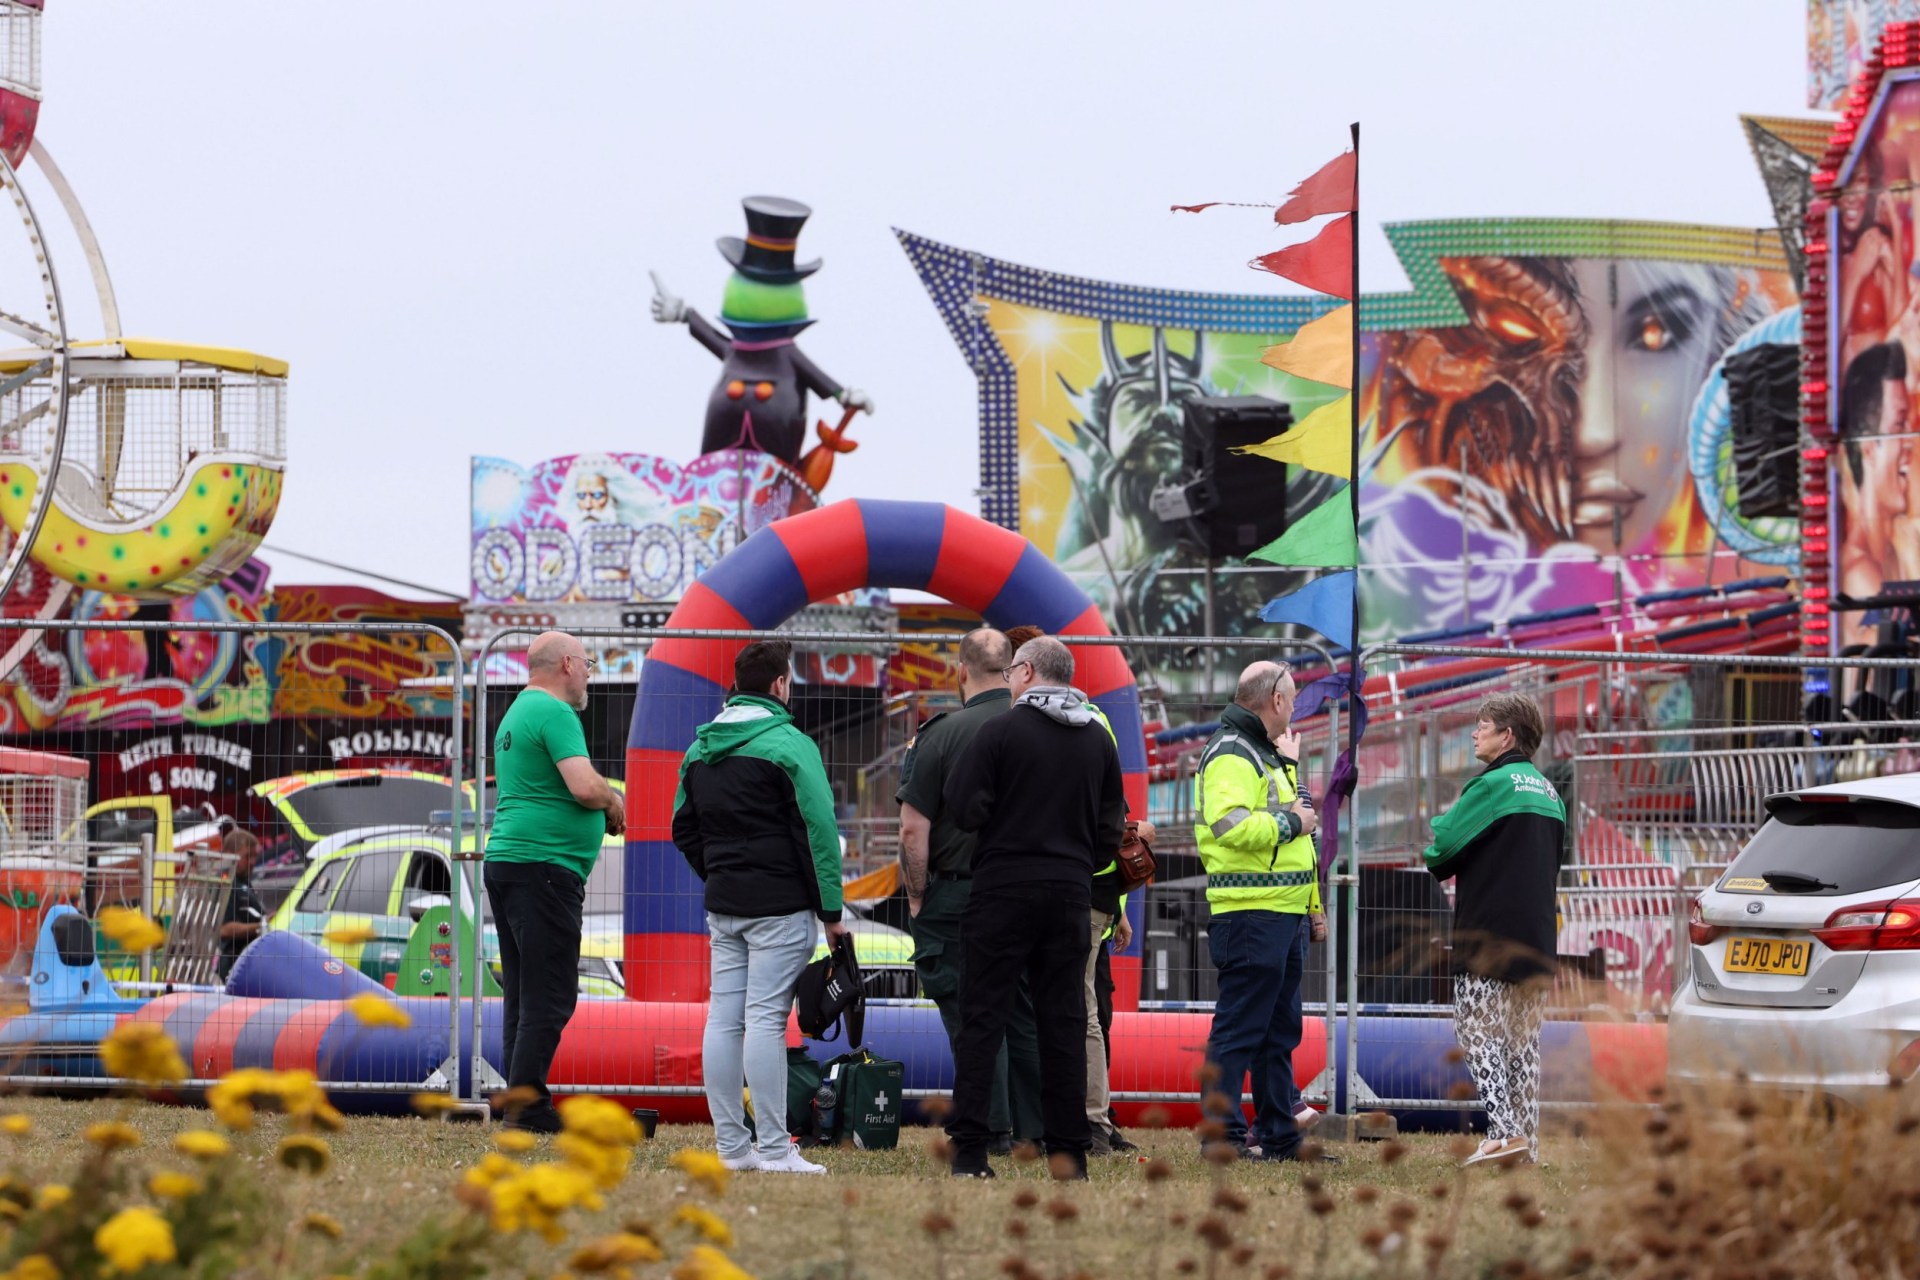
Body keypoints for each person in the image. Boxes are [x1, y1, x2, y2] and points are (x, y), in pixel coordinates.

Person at [942, 636, 1127, 1179]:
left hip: (1002, 888)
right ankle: (1069, 1152)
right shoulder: (1098, 740)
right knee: (1064, 1022)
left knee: (984, 1020)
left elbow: (964, 806)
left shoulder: (998, 731)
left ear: (1023, 673)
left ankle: (971, 1152)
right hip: (1070, 894)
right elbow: (1110, 830)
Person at [673, 638, 848, 1175]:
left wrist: (721, 873)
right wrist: (832, 910)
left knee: (723, 1021)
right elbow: (818, 831)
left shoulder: (699, 749)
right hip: (781, 909)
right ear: (779, 685)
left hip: (725, 906)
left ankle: (732, 1149)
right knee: (767, 1022)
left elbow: (684, 828)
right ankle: (775, 1150)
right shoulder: (790, 744)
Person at [897, 627, 1044, 1155]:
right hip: (1031, 893)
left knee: (971, 1014)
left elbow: (914, 829)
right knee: (1024, 1012)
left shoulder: (940, 735)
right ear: (1010, 671)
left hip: (959, 895)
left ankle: (992, 1128)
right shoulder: (1040, 729)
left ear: (960, 671)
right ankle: (1036, 1128)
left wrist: (917, 896)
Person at [1002, 624, 1140, 1157]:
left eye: (1014, 670)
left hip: (1061, 888)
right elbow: (1115, 820)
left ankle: (1083, 1124)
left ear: (1028, 671)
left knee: (1068, 1010)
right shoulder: (1096, 722)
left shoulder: (1023, 723)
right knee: (1081, 1008)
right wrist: (1119, 904)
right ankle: (1084, 1123)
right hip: (1093, 890)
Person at [484, 630, 625, 1133]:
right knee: (551, 993)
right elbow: (584, 787)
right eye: (587, 663)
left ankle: (521, 1100)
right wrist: (613, 803)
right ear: (567, 664)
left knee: (523, 993)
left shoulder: (518, 712)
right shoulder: (555, 712)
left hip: (512, 862)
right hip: (542, 868)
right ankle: (528, 1110)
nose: (590, 673)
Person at [1423, 693, 1565, 1167]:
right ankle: (1529, 1145)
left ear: (1507, 735)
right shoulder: (1550, 793)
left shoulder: (1491, 785)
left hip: (1489, 934)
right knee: (1525, 1045)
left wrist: (1441, 824)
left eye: (1482, 725)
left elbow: (1439, 852)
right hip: (1539, 936)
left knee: (1478, 1031)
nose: (1473, 732)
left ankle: (1502, 1133)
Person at [1194, 661, 1323, 1163]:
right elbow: (1232, 826)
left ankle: (1279, 1136)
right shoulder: (1232, 752)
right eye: (1291, 700)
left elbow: (1300, 825)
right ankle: (1221, 1137)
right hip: (1252, 913)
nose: (1294, 710)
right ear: (1275, 701)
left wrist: (1311, 910)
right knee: (1239, 1032)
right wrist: (1291, 823)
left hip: (1280, 912)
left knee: (1277, 1033)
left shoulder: (1263, 755)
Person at [1837, 342, 1914, 648]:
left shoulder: (1892, 554)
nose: (1909, 441)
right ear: (1869, 447)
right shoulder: (1859, 573)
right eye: (1899, 426)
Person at [214, 826, 264, 980]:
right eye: (247, 856)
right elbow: (224, 930)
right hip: (231, 965)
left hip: (246, 964)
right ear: (229, 855)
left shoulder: (243, 881)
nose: (253, 862)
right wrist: (263, 925)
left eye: (255, 856)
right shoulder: (224, 883)